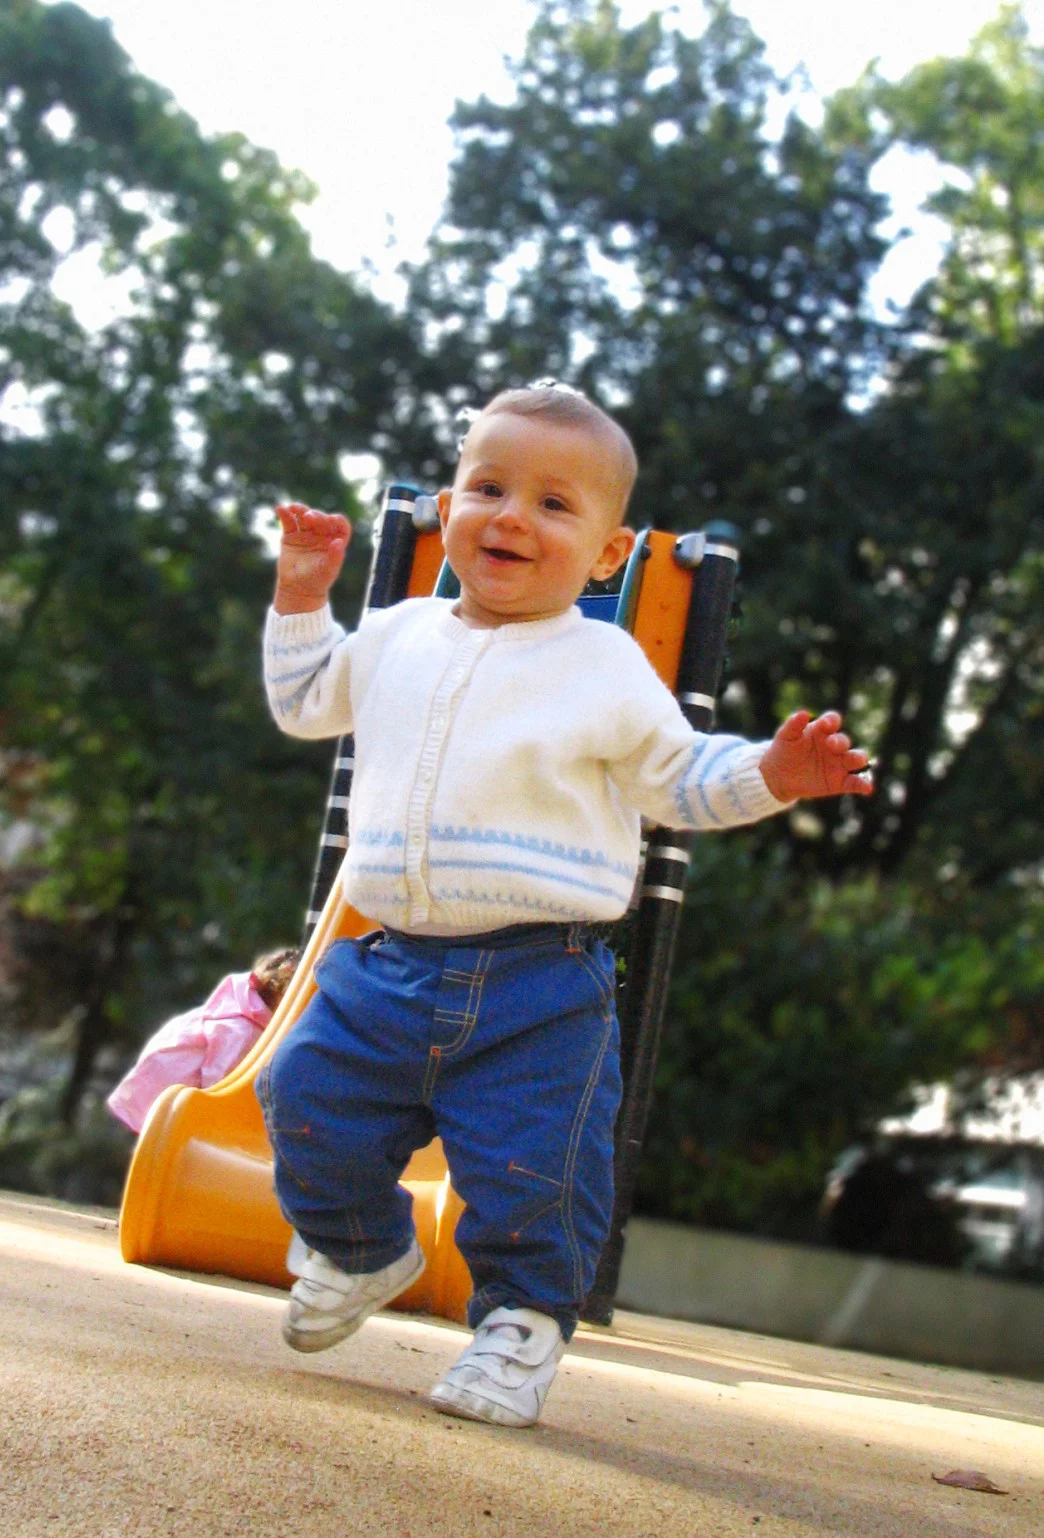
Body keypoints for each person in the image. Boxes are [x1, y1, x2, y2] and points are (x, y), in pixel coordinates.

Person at [256, 384, 873, 1428]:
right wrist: (303, 595)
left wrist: (773, 772)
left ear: (604, 552)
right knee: (303, 1095)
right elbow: (306, 700)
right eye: (489, 486)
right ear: (448, 507)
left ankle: (520, 1327)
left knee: (536, 1171)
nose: (510, 516)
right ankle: (362, 1244)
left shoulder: (604, 664)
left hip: (539, 979)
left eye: (553, 504)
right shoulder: (397, 633)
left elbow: (679, 778)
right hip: (384, 961)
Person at [108, 948, 298, 1134]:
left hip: (150, 1081)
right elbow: (219, 1085)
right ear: (283, 994)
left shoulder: (238, 1002)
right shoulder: (244, 1030)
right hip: (167, 1098)